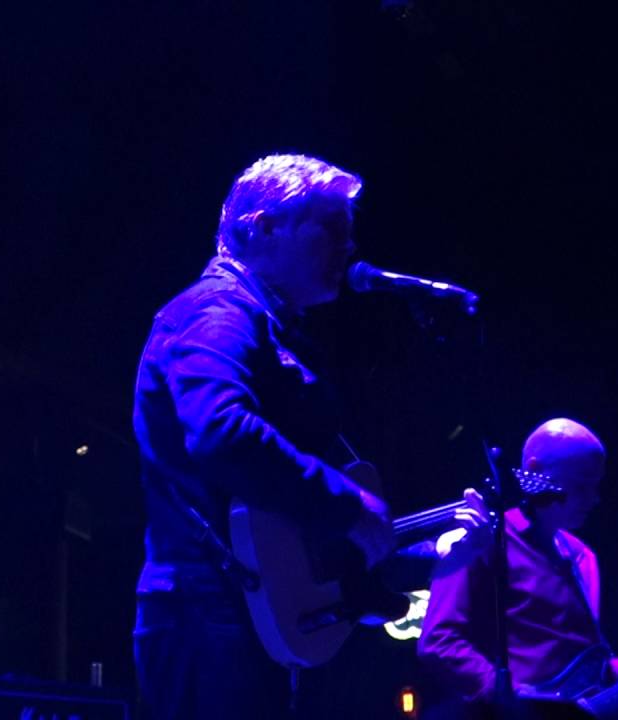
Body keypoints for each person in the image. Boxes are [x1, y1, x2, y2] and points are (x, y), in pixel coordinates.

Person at [131, 153, 487, 719]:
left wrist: (428, 558)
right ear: (263, 227)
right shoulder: (217, 312)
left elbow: (293, 533)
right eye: (331, 228)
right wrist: (346, 503)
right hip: (209, 621)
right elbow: (220, 430)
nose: (348, 247)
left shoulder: (266, 326)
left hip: (242, 620)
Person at [418, 418, 618, 719]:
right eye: (581, 485)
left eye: (596, 485)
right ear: (535, 471)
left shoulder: (582, 557)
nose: (594, 498)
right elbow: (439, 640)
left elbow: (591, 666)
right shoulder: (482, 539)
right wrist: (505, 694)